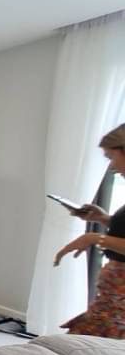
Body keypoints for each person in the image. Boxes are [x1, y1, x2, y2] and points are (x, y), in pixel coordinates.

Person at [55, 123, 125, 338]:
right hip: (113, 296)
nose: (111, 166)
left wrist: (94, 238)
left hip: (118, 301)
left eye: (111, 157)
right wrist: (103, 218)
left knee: (86, 346)